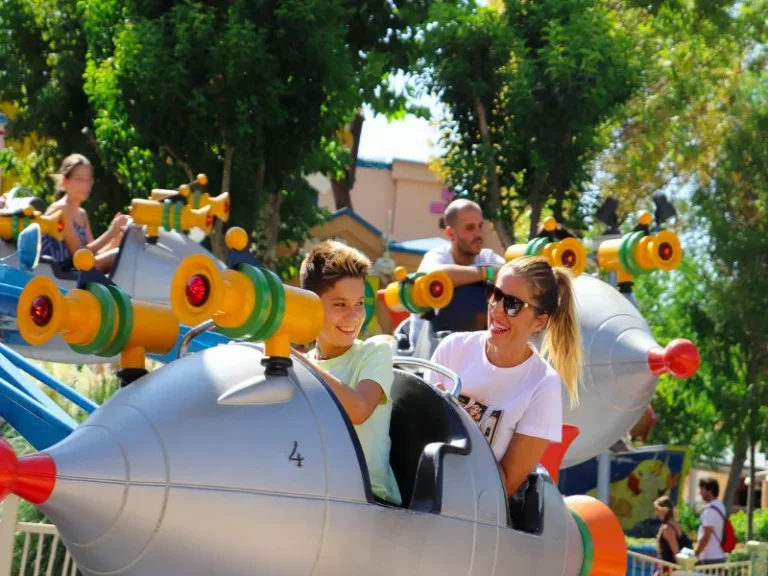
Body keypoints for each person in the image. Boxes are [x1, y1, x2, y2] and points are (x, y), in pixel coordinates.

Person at [423, 256, 581, 496]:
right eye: (494, 294)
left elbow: (503, 486)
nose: (496, 309)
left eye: (512, 304)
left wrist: (455, 421)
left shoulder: (543, 385)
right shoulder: (452, 347)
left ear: (539, 321)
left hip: (474, 512)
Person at [300, 240, 402, 506]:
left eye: (359, 303)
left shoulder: (375, 351)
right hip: (316, 489)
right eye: (340, 305)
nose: (354, 316)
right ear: (311, 305)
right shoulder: (300, 363)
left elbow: (358, 409)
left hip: (370, 499)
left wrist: (294, 359)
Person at [410, 198, 505, 343]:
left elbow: (512, 274)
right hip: (429, 350)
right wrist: (486, 274)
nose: (478, 233)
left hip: (474, 347)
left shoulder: (487, 257)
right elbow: (436, 276)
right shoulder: (436, 256)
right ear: (451, 233)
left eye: (480, 226)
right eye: (470, 228)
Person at [41, 154, 128, 273]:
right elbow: (79, 254)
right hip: (58, 274)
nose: (85, 185)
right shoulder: (61, 209)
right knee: (117, 258)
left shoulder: (82, 214)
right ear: (65, 181)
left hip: (76, 269)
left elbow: (93, 253)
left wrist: (115, 240)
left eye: (88, 180)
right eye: (79, 180)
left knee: (121, 255)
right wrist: (111, 232)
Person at [654, 496, 692, 575]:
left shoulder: (668, 529)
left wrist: (682, 573)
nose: (656, 513)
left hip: (669, 571)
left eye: (657, 510)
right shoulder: (676, 524)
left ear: (664, 510)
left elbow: (676, 552)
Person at [694, 477, 727, 565]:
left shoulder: (710, 510)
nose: (700, 493)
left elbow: (706, 536)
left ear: (709, 491)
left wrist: (695, 554)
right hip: (719, 556)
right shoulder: (720, 506)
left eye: (702, 489)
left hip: (709, 559)